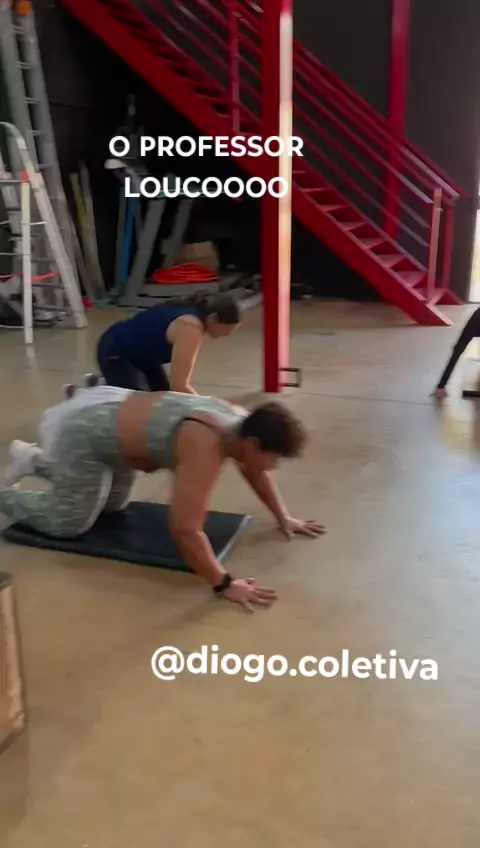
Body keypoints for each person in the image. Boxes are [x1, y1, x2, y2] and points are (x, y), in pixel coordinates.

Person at [0, 387, 325, 610]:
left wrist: (284, 517)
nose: (274, 466)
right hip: (84, 436)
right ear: (253, 444)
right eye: (274, 458)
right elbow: (184, 529)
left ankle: (33, 460)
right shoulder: (206, 445)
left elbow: (254, 469)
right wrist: (224, 584)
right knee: (68, 523)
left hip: (114, 440)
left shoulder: (241, 424)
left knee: (111, 507)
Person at [96, 292, 242, 394]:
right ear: (213, 318)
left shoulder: (193, 308)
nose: (226, 336)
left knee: (163, 399)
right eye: (226, 331)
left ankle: (108, 384)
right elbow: (179, 386)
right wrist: (211, 409)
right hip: (118, 352)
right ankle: (99, 391)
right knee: (138, 406)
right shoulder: (190, 327)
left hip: (143, 357)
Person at [432, 308, 480, 399]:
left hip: (475, 320)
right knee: (457, 351)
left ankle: (440, 386)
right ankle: (441, 386)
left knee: (457, 351)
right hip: (476, 321)